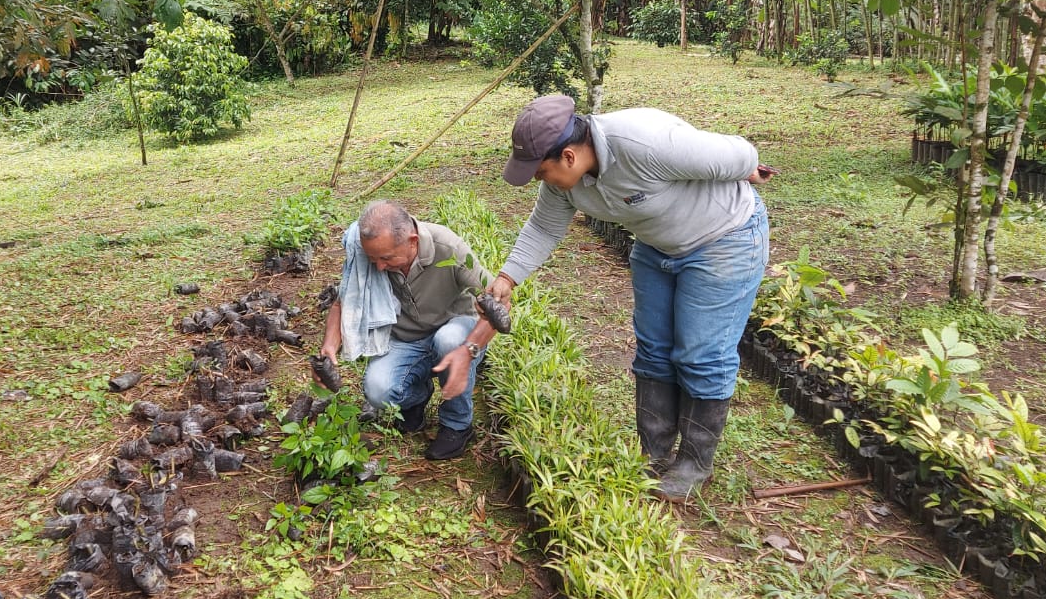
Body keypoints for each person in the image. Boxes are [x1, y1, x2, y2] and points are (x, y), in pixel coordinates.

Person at [488, 94, 771, 500]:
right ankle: (653, 454)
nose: (538, 180)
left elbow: (742, 153)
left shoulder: (644, 143)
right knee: (653, 350)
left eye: (540, 171)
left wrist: (744, 169)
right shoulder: (564, 183)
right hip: (656, 246)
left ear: (568, 156)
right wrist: (507, 278)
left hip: (724, 240)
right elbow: (544, 228)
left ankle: (694, 464)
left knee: (701, 354)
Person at [320, 200, 499, 461]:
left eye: (386, 258)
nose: (379, 267)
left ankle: (457, 425)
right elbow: (344, 300)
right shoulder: (364, 250)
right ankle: (417, 397)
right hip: (406, 338)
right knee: (378, 391)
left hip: (455, 328)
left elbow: (497, 303)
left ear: (412, 241)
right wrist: (329, 346)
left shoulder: (447, 247)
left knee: (448, 340)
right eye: (373, 259)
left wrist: (471, 348)